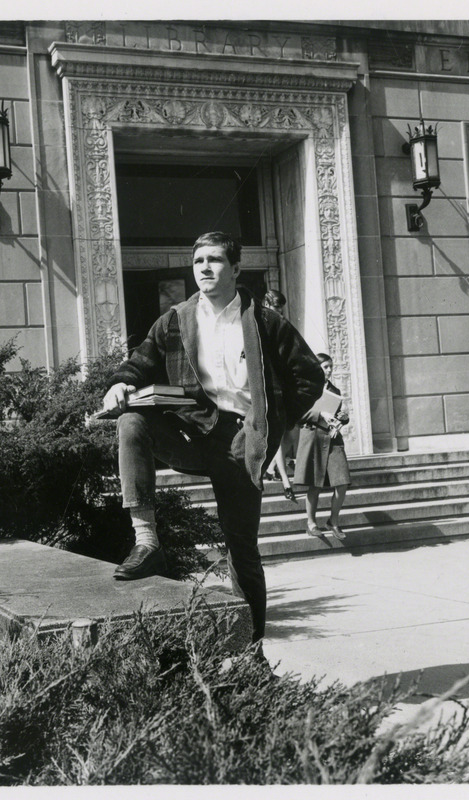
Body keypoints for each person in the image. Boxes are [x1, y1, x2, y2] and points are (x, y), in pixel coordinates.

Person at [101, 231, 325, 643]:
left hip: (241, 438)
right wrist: (119, 383)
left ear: (236, 269)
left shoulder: (265, 321)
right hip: (190, 431)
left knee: (242, 551)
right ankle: (147, 541)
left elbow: (310, 376)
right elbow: (139, 362)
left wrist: (271, 424)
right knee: (130, 421)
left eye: (215, 260)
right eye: (198, 260)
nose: (204, 267)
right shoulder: (176, 319)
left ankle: (251, 654)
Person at [292, 353, 351, 540]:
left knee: (342, 482)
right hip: (314, 438)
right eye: (325, 367)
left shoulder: (335, 390)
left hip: (333, 439)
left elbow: (340, 414)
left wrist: (342, 418)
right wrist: (321, 415)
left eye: (331, 366)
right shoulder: (306, 387)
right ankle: (311, 523)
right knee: (315, 483)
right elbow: (298, 414)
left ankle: (333, 521)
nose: (329, 370)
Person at [261, 289, 298, 503]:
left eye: (281, 309)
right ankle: (286, 482)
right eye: (276, 308)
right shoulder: (259, 325)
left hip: (283, 387)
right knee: (278, 436)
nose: (280, 313)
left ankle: (272, 467)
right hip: (268, 389)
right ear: (267, 304)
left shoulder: (281, 326)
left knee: (289, 436)